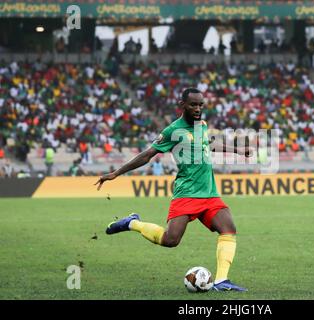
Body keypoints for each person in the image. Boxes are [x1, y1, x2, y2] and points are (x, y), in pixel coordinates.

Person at [94, 88, 252, 292]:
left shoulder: (202, 125)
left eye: (201, 105)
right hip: (187, 193)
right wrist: (116, 173)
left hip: (209, 193)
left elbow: (208, 144)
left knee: (228, 229)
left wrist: (237, 150)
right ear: (182, 105)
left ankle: (222, 280)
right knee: (170, 240)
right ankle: (132, 223)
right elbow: (147, 154)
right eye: (193, 104)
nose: (198, 108)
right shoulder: (172, 131)